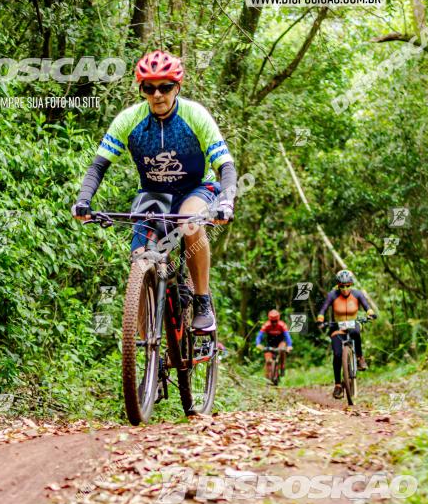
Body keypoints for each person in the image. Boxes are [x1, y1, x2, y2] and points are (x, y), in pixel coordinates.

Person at [71, 50, 237, 332]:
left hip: (196, 187)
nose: (157, 94)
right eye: (149, 88)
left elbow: (226, 165)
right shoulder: (129, 120)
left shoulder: (195, 115)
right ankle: (149, 347)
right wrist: (83, 200)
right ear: (142, 90)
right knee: (139, 261)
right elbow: (98, 166)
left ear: (177, 87)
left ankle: (202, 299)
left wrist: (227, 201)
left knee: (189, 222)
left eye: (165, 87)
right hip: (154, 193)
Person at [317, 269, 377, 399]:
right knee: (337, 354)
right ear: (338, 285)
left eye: (347, 286)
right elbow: (323, 309)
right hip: (337, 327)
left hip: (352, 324)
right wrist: (320, 319)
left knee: (356, 331)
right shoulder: (332, 295)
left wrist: (370, 314)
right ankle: (338, 385)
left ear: (351, 285)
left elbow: (367, 306)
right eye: (342, 286)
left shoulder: (357, 294)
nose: (345, 289)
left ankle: (360, 358)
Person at [255, 310, 293, 379]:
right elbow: (259, 336)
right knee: (267, 360)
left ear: (278, 319)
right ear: (270, 320)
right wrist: (258, 344)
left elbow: (288, 336)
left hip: (280, 342)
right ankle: (267, 377)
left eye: (275, 321)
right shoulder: (266, 325)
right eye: (272, 321)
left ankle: (282, 367)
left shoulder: (282, 325)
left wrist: (289, 346)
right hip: (270, 344)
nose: (274, 323)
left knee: (282, 349)